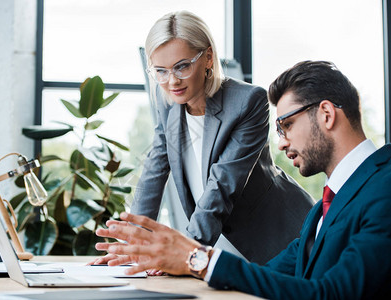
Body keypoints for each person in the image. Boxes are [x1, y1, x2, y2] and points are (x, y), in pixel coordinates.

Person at [94, 60, 391, 299]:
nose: (282, 143)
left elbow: (332, 294)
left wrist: (197, 258)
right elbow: (268, 277)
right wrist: (176, 260)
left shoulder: (385, 187)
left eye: (286, 125)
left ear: (326, 114)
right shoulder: (320, 212)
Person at [126, 10, 313, 265]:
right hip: (214, 243)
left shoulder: (247, 102)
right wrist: (134, 248)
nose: (172, 81)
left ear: (208, 58)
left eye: (182, 66)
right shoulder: (167, 100)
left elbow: (222, 187)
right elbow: (154, 170)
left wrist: (184, 255)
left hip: (279, 240)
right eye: (160, 71)